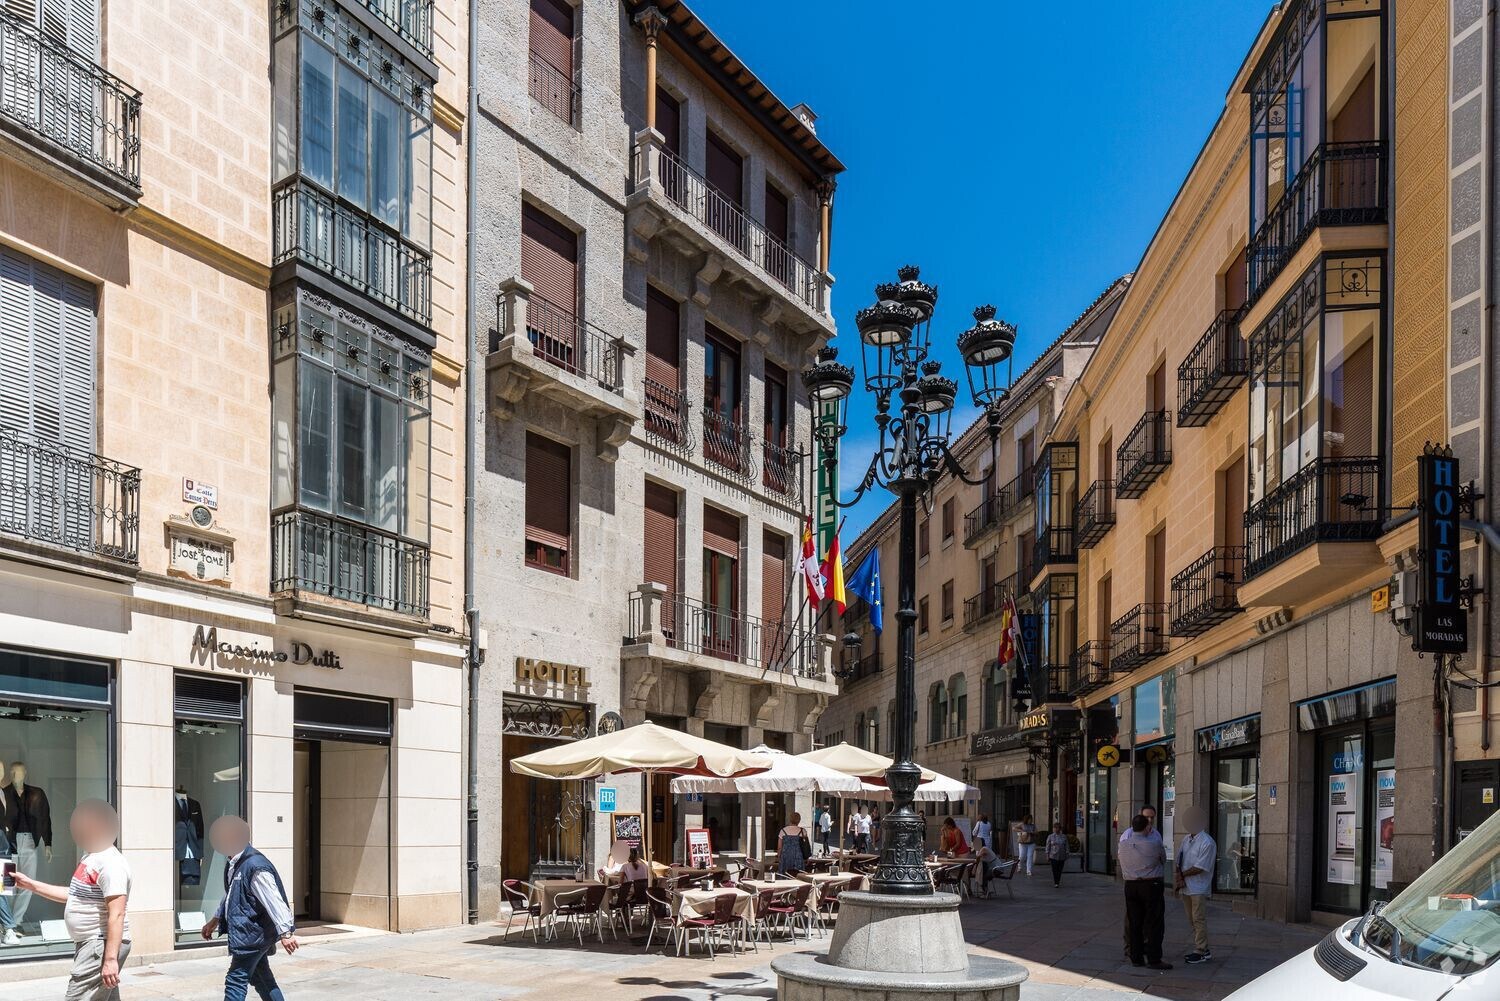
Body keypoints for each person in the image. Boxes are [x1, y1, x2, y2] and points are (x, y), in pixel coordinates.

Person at [11, 800, 130, 1001]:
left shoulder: (112, 864)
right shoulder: (91, 856)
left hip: (98, 945)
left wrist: (110, 959)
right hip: (91, 944)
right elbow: (74, 894)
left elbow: (117, 913)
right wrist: (30, 884)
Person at [201, 816, 299, 1001]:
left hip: (252, 934)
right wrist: (215, 920)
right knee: (262, 978)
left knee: (235, 980)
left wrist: (286, 932)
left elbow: (274, 900)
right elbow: (231, 894)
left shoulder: (254, 865)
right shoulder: (236, 862)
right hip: (251, 934)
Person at [1118, 814, 1171, 971]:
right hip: (1151, 884)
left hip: (1131, 885)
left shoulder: (1123, 844)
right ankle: (1154, 958)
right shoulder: (1154, 844)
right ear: (1147, 827)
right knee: (1154, 922)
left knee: (1135, 922)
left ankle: (1136, 957)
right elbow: (1163, 859)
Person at [1175, 806, 1217, 964]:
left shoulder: (1207, 842)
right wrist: (1179, 876)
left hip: (1198, 886)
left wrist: (1182, 874)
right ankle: (1203, 948)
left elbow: (1200, 867)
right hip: (1186, 886)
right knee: (1191, 919)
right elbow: (1180, 858)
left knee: (1198, 918)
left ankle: (1200, 949)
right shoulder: (1186, 839)